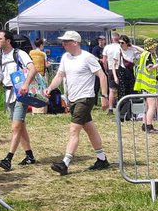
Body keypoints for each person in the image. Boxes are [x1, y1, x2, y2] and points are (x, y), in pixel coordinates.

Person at [46, 30, 111, 174]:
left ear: (75, 42)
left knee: (74, 130)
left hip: (85, 98)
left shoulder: (87, 57)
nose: (63, 44)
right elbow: (59, 75)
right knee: (90, 128)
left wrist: (104, 96)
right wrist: (50, 88)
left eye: (66, 41)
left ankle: (65, 163)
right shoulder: (65, 57)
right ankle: (102, 159)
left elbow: (102, 76)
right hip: (73, 99)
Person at [0, 29, 37, 170]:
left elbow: (32, 69)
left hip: (21, 94)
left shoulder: (20, 53)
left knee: (16, 126)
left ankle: (8, 158)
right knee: (20, 126)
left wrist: (25, 85)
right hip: (9, 95)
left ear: (8, 40)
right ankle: (30, 156)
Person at [133, 38, 158, 132]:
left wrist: (132, 45)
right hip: (149, 85)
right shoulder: (149, 55)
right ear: (151, 47)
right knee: (152, 106)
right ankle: (149, 126)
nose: (156, 48)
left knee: (147, 107)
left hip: (144, 85)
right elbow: (150, 68)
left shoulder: (144, 54)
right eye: (154, 46)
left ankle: (144, 124)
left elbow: (141, 50)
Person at [116, 35, 141, 120]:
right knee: (122, 93)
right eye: (119, 43)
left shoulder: (132, 50)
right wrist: (115, 77)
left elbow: (143, 52)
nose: (120, 44)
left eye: (122, 43)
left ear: (127, 43)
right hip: (121, 72)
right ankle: (121, 114)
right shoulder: (118, 51)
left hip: (130, 72)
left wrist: (132, 46)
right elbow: (114, 64)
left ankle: (130, 113)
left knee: (132, 92)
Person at [102, 32, 123, 108]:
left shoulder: (107, 47)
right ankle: (121, 106)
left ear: (111, 39)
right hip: (120, 69)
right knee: (121, 89)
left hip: (111, 68)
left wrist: (106, 70)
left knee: (111, 90)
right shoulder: (121, 47)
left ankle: (111, 107)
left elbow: (104, 61)